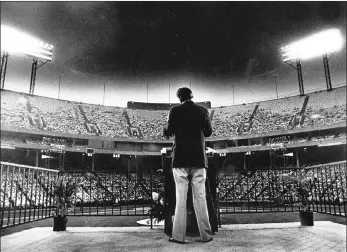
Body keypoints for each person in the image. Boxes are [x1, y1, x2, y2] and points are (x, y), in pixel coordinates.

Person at [163, 87, 213, 244]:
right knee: (200, 198)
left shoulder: (175, 110)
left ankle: (178, 236)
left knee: (181, 199)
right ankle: (206, 235)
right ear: (192, 96)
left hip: (180, 160)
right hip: (198, 159)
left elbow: (169, 132)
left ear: (179, 98)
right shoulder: (203, 110)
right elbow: (208, 132)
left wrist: (165, 128)